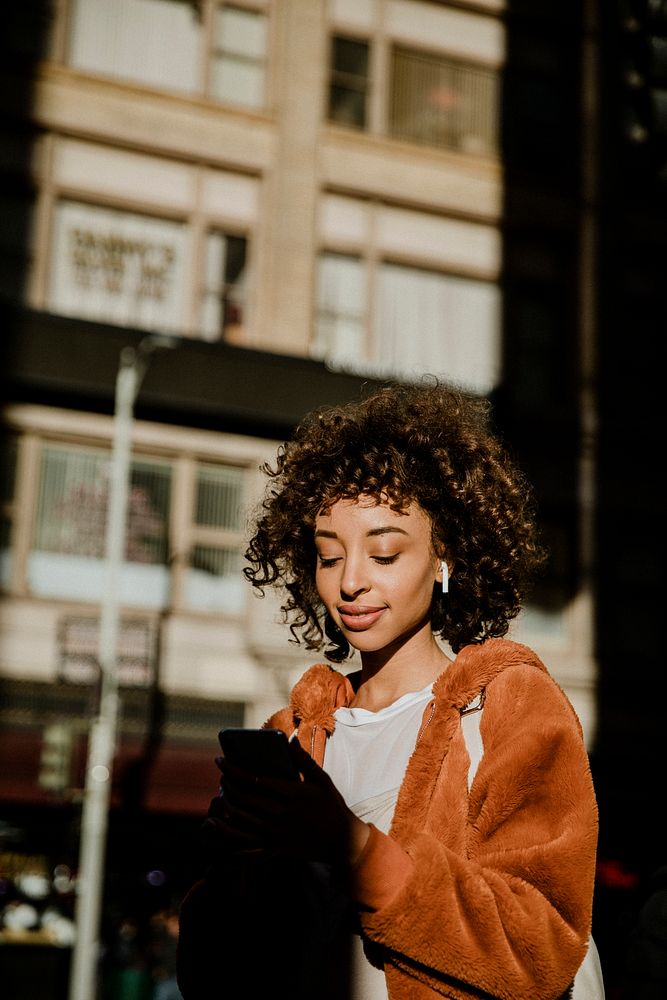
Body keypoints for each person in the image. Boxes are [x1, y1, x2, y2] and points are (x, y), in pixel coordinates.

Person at [177, 379, 602, 1000]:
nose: (350, 582)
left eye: (383, 555)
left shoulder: (508, 706)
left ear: (444, 557)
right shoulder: (291, 735)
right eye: (328, 557)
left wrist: (354, 851)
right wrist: (236, 873)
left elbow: (541, 945)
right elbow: (215, 976)